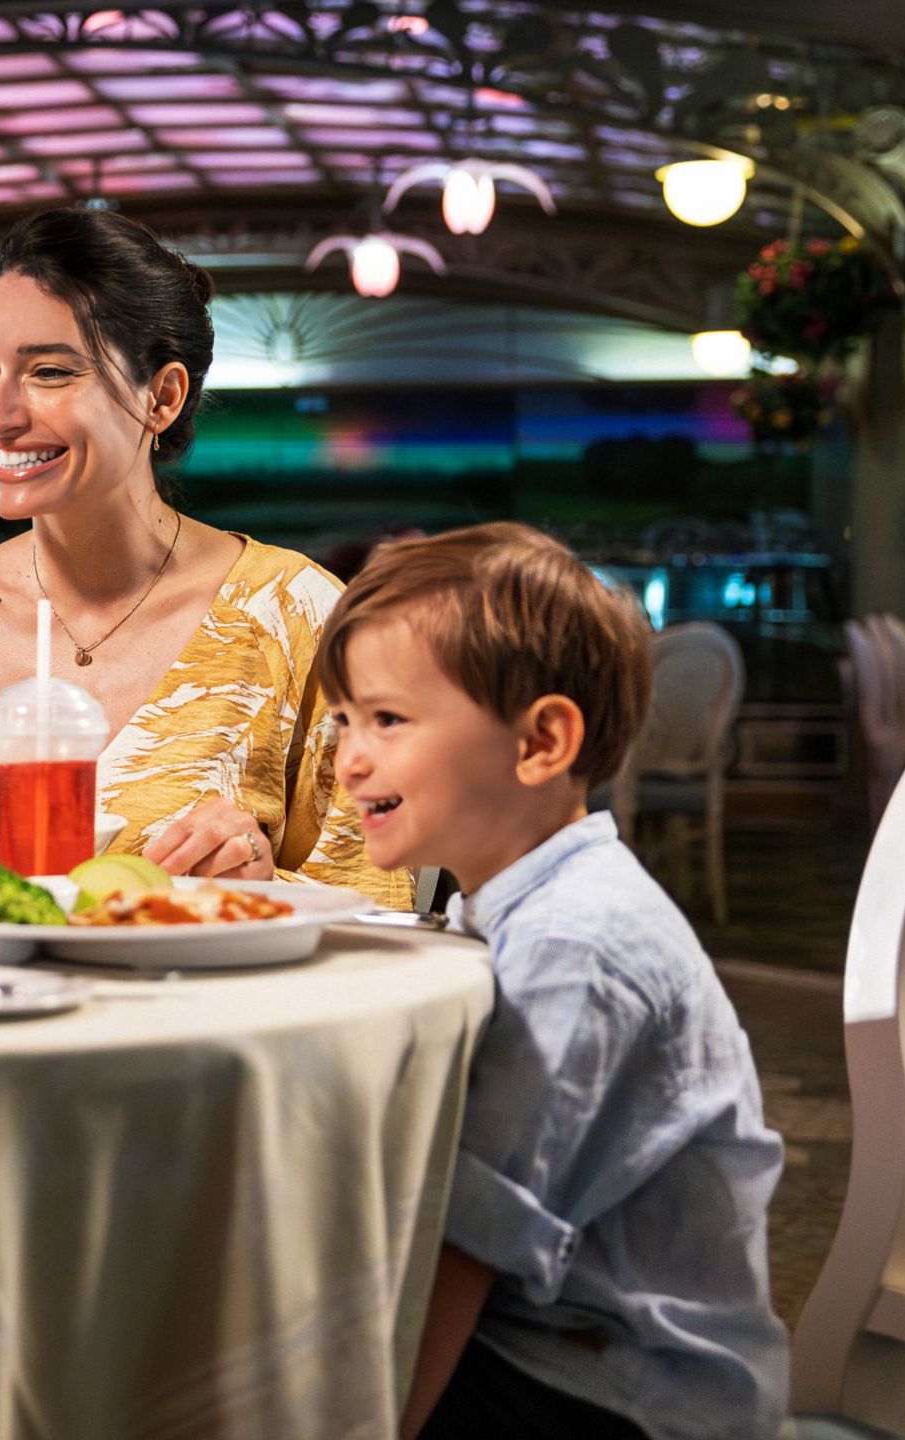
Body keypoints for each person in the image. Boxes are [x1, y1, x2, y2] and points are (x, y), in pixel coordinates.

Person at [318, 524, 783, 1440]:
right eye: (343, 720)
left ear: (541, 741)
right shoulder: (512, 902)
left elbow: (463, 1246)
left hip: (620, 1392)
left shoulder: (577, 944)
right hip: (551, 1341)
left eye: (387, 720)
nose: (349, 759)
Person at [0, 205, 405, 905]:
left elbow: (381, 904)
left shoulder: (298, 616)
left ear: (161, 397)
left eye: (50, 372)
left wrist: (263, 886)